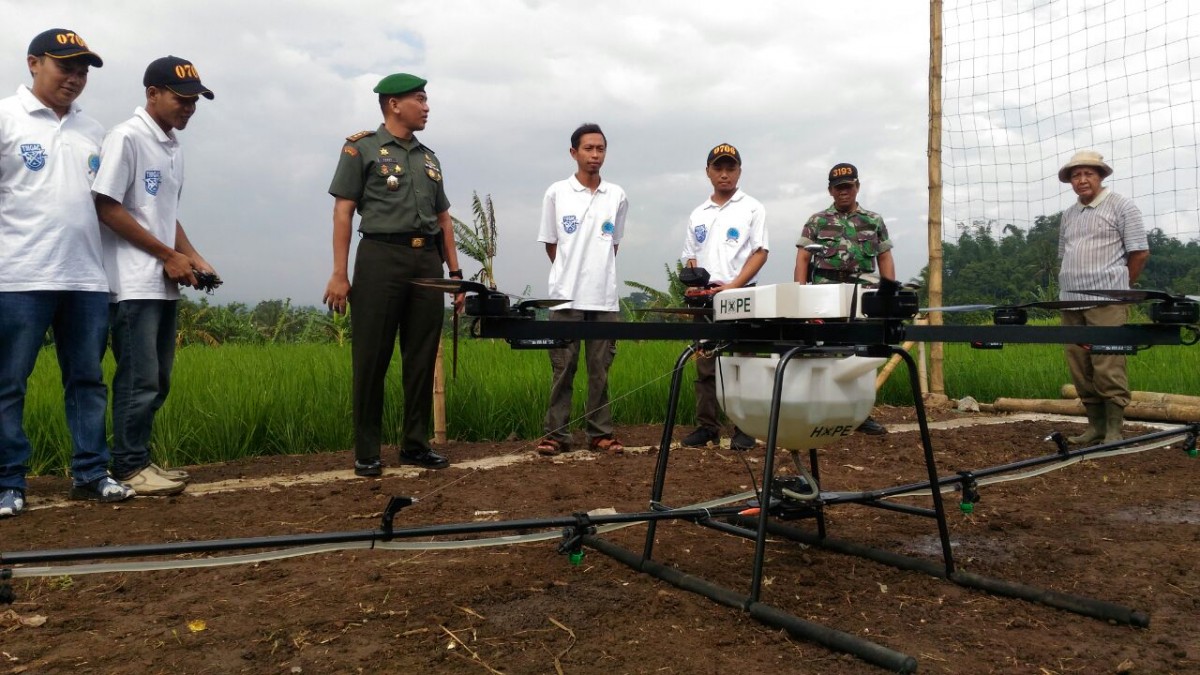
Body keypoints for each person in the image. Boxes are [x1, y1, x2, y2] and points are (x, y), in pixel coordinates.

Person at [0, 28, 134, 517]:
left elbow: (107, 205)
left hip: (85, 278)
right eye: (65, 67)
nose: (75, 79)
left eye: (83, 71)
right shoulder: (6, 118)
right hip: (18, 277)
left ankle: (90, 473)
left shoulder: (93, 130)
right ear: (33, 63)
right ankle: (8, 483)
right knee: (9, 383)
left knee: (86, 379)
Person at [324, 73, 463, 476]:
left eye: (426, 99)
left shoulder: (428, 157)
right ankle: (367, 451)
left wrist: (454, 273)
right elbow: (343, 211)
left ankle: (415, 445)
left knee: (420, 357)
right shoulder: (361, 148)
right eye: (419, 99)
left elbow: (444, 218)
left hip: (426, 263)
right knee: (372, 357)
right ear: (393, 104)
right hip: (380, 258)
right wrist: (339, 273)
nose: (427, 107)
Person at [92, 56, 217, 496]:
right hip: (130, 283)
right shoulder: (126, 138)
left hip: (162, 281)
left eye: (195, 101)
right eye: (182, 100)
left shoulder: (171, 146)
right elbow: (106, 206)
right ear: (152, 94)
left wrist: (192, 255)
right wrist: (168, 254)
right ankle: (127, 467)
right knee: (138, 378)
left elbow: (165, 214)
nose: (190, 108)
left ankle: (139, 459)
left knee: (158, 378)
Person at [535, 123, 628, 456]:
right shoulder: (556, 193)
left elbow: (611, 246)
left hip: (603, 296)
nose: (595, 155)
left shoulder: (617, 196)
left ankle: (600, 433)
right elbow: (551, 244)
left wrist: (594, 271)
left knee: (600, 369)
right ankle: (556, 434)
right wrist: (569, 271)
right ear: (574, 153)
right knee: (563, 367)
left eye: (600, 148)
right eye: (588, 148)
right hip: (565, 296)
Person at [794, 162, 895, 436]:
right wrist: (800, 296)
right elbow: (803, 257)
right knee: (825, 351)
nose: (844, 192)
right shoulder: (817, 221)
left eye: (848, 187)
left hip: (861, 292)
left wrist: (888, 296)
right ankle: (822, 413)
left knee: (861, 352)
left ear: (857, 187)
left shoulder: (873, 221)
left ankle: (860, 414)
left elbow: (884, 257)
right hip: (825, 291)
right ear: (830, 191)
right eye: (838, 188)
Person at [678, 143, 769, 450]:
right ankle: (707, 427)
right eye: (718, 168)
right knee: (705, 364)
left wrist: (732, 286)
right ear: (708, 172)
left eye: (731, 168)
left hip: (740, 294)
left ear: (739, 171)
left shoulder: (752, 208)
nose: (725, 174)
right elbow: (690, 256)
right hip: (706, 298)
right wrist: (695, 279)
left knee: (743, 361)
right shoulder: (698, 214)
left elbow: (760, 253)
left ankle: (744, 428)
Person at [1056, 150, 1149, 445]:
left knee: (1107, 364)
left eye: (1088, 174)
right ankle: (1094, 426)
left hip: (1106, 302)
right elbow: (1063, 255)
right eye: (1075, 175)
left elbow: (1139, 251)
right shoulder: (1069, 215)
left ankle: (1113, 430)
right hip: (1070, 301)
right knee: (1079, 366)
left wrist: (1121, 286)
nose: (1082, 180)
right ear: (1070, 181)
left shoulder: (1121, 206)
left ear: (1101, 176)